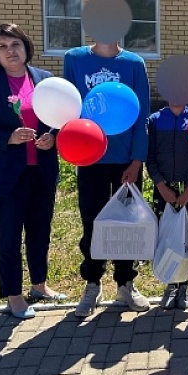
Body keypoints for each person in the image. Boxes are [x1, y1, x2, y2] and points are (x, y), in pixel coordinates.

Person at [0, 23, 65, 320]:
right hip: (7, 174)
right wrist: (7, 137)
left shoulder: (45, 80)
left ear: (25, 46)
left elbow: (60, 118)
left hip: (41, 170)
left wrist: (53, 137)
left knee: (40, 230)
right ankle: (14, 297)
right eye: (2, 46)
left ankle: (40, 285)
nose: (10, 51)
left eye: (15, 44)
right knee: (9, 234)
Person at [63, 40, 151, 317]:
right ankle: (92, 283)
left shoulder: (134, 64)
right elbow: (69, 108)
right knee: (93, 221)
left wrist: (137, 160)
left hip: (126, 161)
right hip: (89, 158)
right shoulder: (74, 59)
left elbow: (142, 115)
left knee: (126, 224)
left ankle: (126, 283)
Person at [146, 101, 188, 309]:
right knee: (168, 236)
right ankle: (171, 283)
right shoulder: (155, 120)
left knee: (186, 238)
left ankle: (184, 284)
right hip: (164, 189)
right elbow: (150, 155)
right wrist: (161, 186)